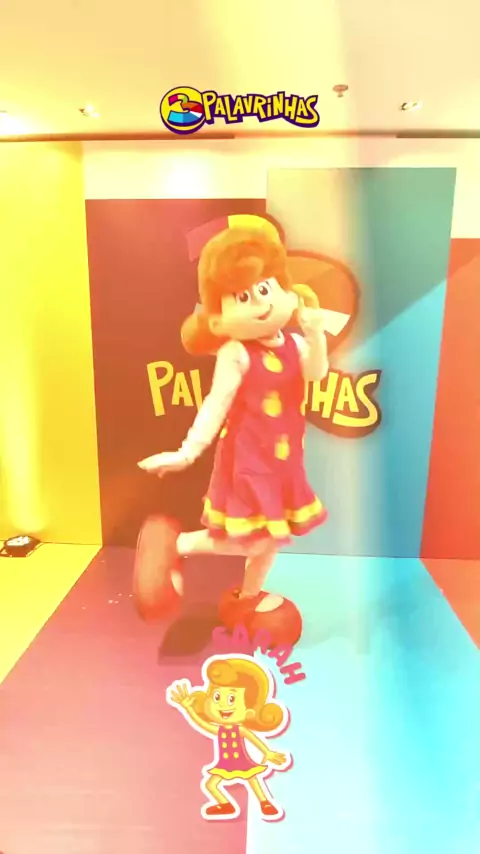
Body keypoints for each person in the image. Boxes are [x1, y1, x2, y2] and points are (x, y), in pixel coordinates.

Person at [135, 225, 328, 627]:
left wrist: (315, 334)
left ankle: (249, 598)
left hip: (284, 465)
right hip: (248, 464)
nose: (260, 303)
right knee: (254, 541)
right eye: (242, 296)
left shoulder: (294, 344)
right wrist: (187, 451)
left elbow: (316, 372)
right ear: (220, 317)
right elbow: (215, 404)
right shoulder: (236, 352)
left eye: (265, 288)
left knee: (270, 543)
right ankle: (179, 545)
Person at [167, 655, 291, 820]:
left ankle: (265, 803)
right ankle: (225, 805)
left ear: (249, 711)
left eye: (232, 698)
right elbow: (202, 724)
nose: (223, 704)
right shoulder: (220, 731)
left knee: (253, 781)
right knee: (211, 785)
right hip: (225, 764)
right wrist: (188, 709)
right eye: (217, 697)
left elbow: (254, 739)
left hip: (242, 762)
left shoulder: (240, 729)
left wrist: (267, 753)